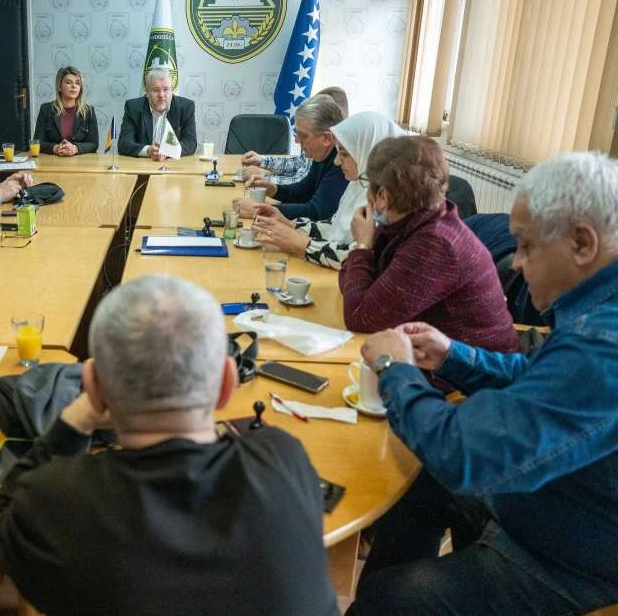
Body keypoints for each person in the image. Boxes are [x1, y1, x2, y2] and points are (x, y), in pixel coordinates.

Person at [348, 151, 618, 615]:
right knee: (418, 484)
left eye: (526, 246)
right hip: (554, 500)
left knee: (391, 599)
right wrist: (455, 355)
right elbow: (540, 379)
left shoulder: (601, 346)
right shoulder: (596, 311)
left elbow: (460, 453)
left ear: (581, 243)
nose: (516, 264)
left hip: (572, 561)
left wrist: (397, 369)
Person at [0, 275, 338, 615]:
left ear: (93, 387)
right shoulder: (282, 459)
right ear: (227, 383)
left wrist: (75, 421)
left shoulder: (56, 502)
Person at [338, 135, 519, 352]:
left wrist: (362, 246)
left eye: (367, 183)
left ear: (382, 196)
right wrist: (363, 256)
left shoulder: (435, 243)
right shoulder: (404, 224)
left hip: (473, 367)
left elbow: (359, 317)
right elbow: (350, 286)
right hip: (431, 354)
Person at [252, 111, 405, 269]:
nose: (336, 161)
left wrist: (301, 243)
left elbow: (356, 256)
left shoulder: (387, 199)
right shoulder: (359, 183)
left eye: (344, 154)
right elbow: (334, 225)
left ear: (368, 151)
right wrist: (291, 225)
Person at [235, 94, 349, 221]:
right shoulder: (323, 153)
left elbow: (318, 211)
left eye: (303, 135)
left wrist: (260, 210)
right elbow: (303, 192)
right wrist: (274, 190)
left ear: (327, 138)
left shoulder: (343, 162)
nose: (296, 140)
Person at [241, 86, 350, 186]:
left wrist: (263, 177)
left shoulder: (338, 155)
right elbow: (299, 163)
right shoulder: (319, 143)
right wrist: (262, 161)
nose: (297, 140)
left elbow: (303, 185)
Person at [118, 68, 197, 159]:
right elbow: (124, 144)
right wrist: (147, 150)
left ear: (172, 90)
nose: (161, 95)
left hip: (173, 165)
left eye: (166, 89)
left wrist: (168, 151)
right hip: (143, 165)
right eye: (156, 90)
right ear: (147, 92)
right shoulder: (133, 107)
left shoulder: (186, 107)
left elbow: (190, 143)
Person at [33, 66, 99, 156]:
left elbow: (94, 144)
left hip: (80, 161)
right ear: (59, 87)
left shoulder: (89, 111)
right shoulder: (46, 109)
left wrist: (75, 148)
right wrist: (55, 148)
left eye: (77, 83)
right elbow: (37, 142)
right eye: (68, 82)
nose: (74, 86)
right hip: (53, 161)